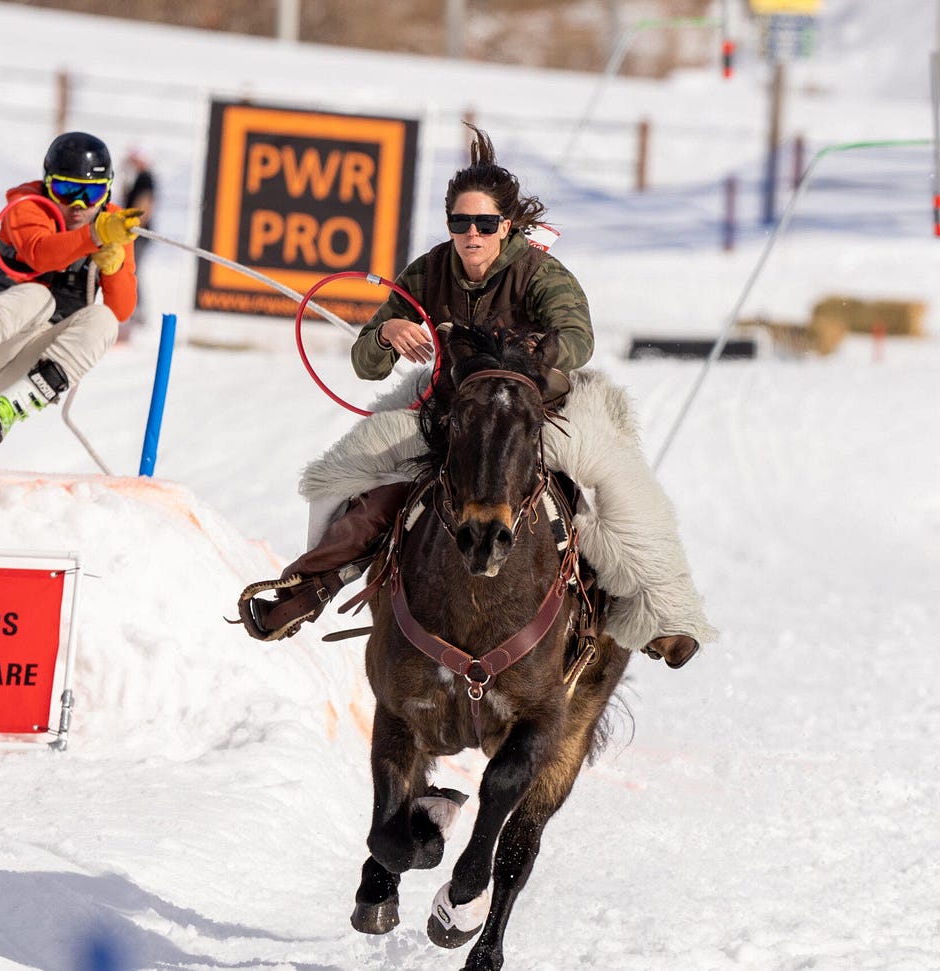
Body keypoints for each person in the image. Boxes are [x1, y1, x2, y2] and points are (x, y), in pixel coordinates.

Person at [237, 125, 713, 670]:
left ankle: (666, 611)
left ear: (505, 226)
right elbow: (366, 364)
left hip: (538, 411)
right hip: (448, 409)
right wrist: (387, 336)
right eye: (460, 223)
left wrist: (528, 356)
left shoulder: (540, 272)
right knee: (346, 468)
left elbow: (579, 340)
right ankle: (309, 586)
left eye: (485, 224)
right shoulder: (428, 271)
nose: (472, 235)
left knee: (617, 481)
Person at [0, 131, 142, 446]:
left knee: (104, 321)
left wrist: (113, 268)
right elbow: (41, 253)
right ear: (48, 185)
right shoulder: (28, 206)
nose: (77, 205)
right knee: (39, 297)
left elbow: (123, 310)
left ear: (106, 192)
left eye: (89, 194)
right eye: (65, 190)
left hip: (27, 368)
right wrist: (94, 235)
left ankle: (10, 407)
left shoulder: (112, 224)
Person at [117, 150, 157, 337]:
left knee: (134, 269)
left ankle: (136, 309)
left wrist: (135, 226)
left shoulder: (146, 178)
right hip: (134, 232)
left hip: (138, 234)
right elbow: (127, 199)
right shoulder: (137, 178)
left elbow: (145, 204)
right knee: (131, 269)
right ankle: (134, 308)